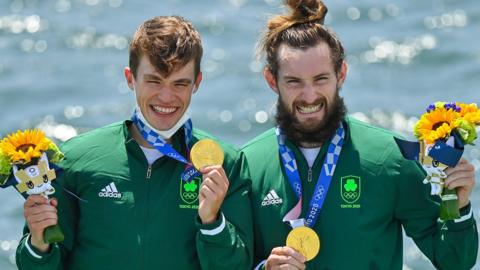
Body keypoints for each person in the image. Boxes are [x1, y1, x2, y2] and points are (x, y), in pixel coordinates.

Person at [241, 1, 478, 269]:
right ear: (272, 80)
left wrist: (457, 205)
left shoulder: (390, 158)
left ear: (341, 74)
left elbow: (455, 261)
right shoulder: (247, 165)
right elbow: (225, 262)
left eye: (321, 79)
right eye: (294, 82)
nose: (309, 96)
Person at [16, 15, 252, 269]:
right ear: (130, 78)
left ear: (197, 83)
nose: (166, 97)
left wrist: (213, 223)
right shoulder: (73, 160)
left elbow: (236, 266)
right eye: (154, 80)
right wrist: (38, 245)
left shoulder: (226, 163)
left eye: (180, 83)